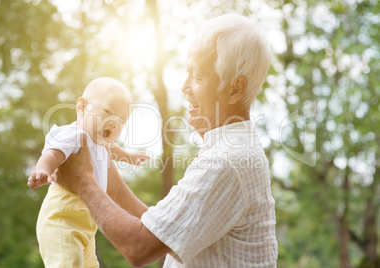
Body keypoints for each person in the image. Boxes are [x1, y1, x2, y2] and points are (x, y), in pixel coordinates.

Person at [28, 14, 278, 267]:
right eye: (187, 72)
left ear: (235, 89)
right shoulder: (230, 151)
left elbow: (139, 247)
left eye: (197, 76)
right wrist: (100, 163)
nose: (184, 86)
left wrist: (84, 181)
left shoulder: (228, 161)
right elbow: (163, 230)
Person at [27, 77, 149, 267]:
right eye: (108, 112)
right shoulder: (74, 134)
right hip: (62, 217)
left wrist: (129, 157)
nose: (114, 124)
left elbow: (113, 149)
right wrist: (43, 170)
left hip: (86, 224)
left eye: (121, 121)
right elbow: (52, 153)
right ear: (82, 107)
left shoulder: (101, 142)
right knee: (68, 262)